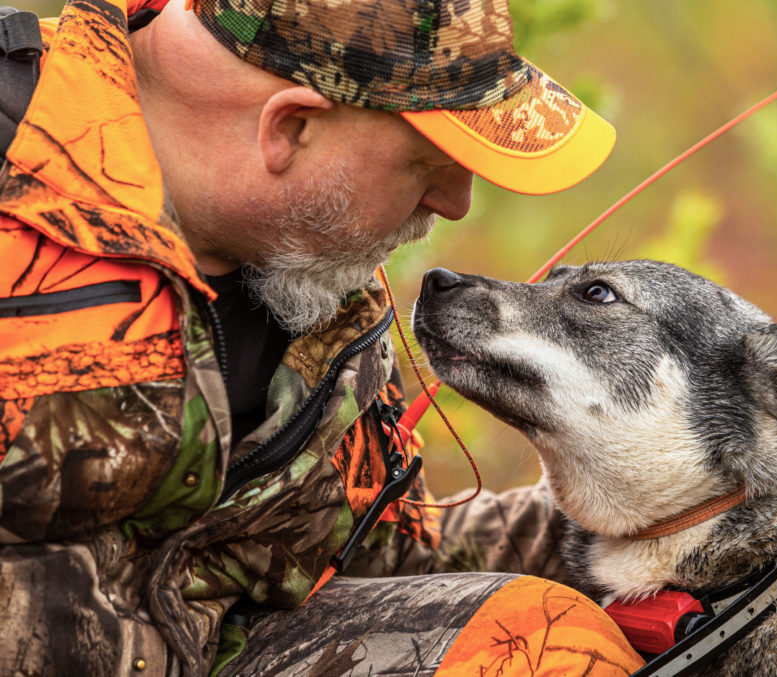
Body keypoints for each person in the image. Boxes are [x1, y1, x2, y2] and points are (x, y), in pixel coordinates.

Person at [0, 0, 644, 674]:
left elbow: (390, 549)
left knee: (537, 647)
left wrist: (672, 518)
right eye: (426, 165)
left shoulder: (312, 271)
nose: (456, 203)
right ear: (292, 126)